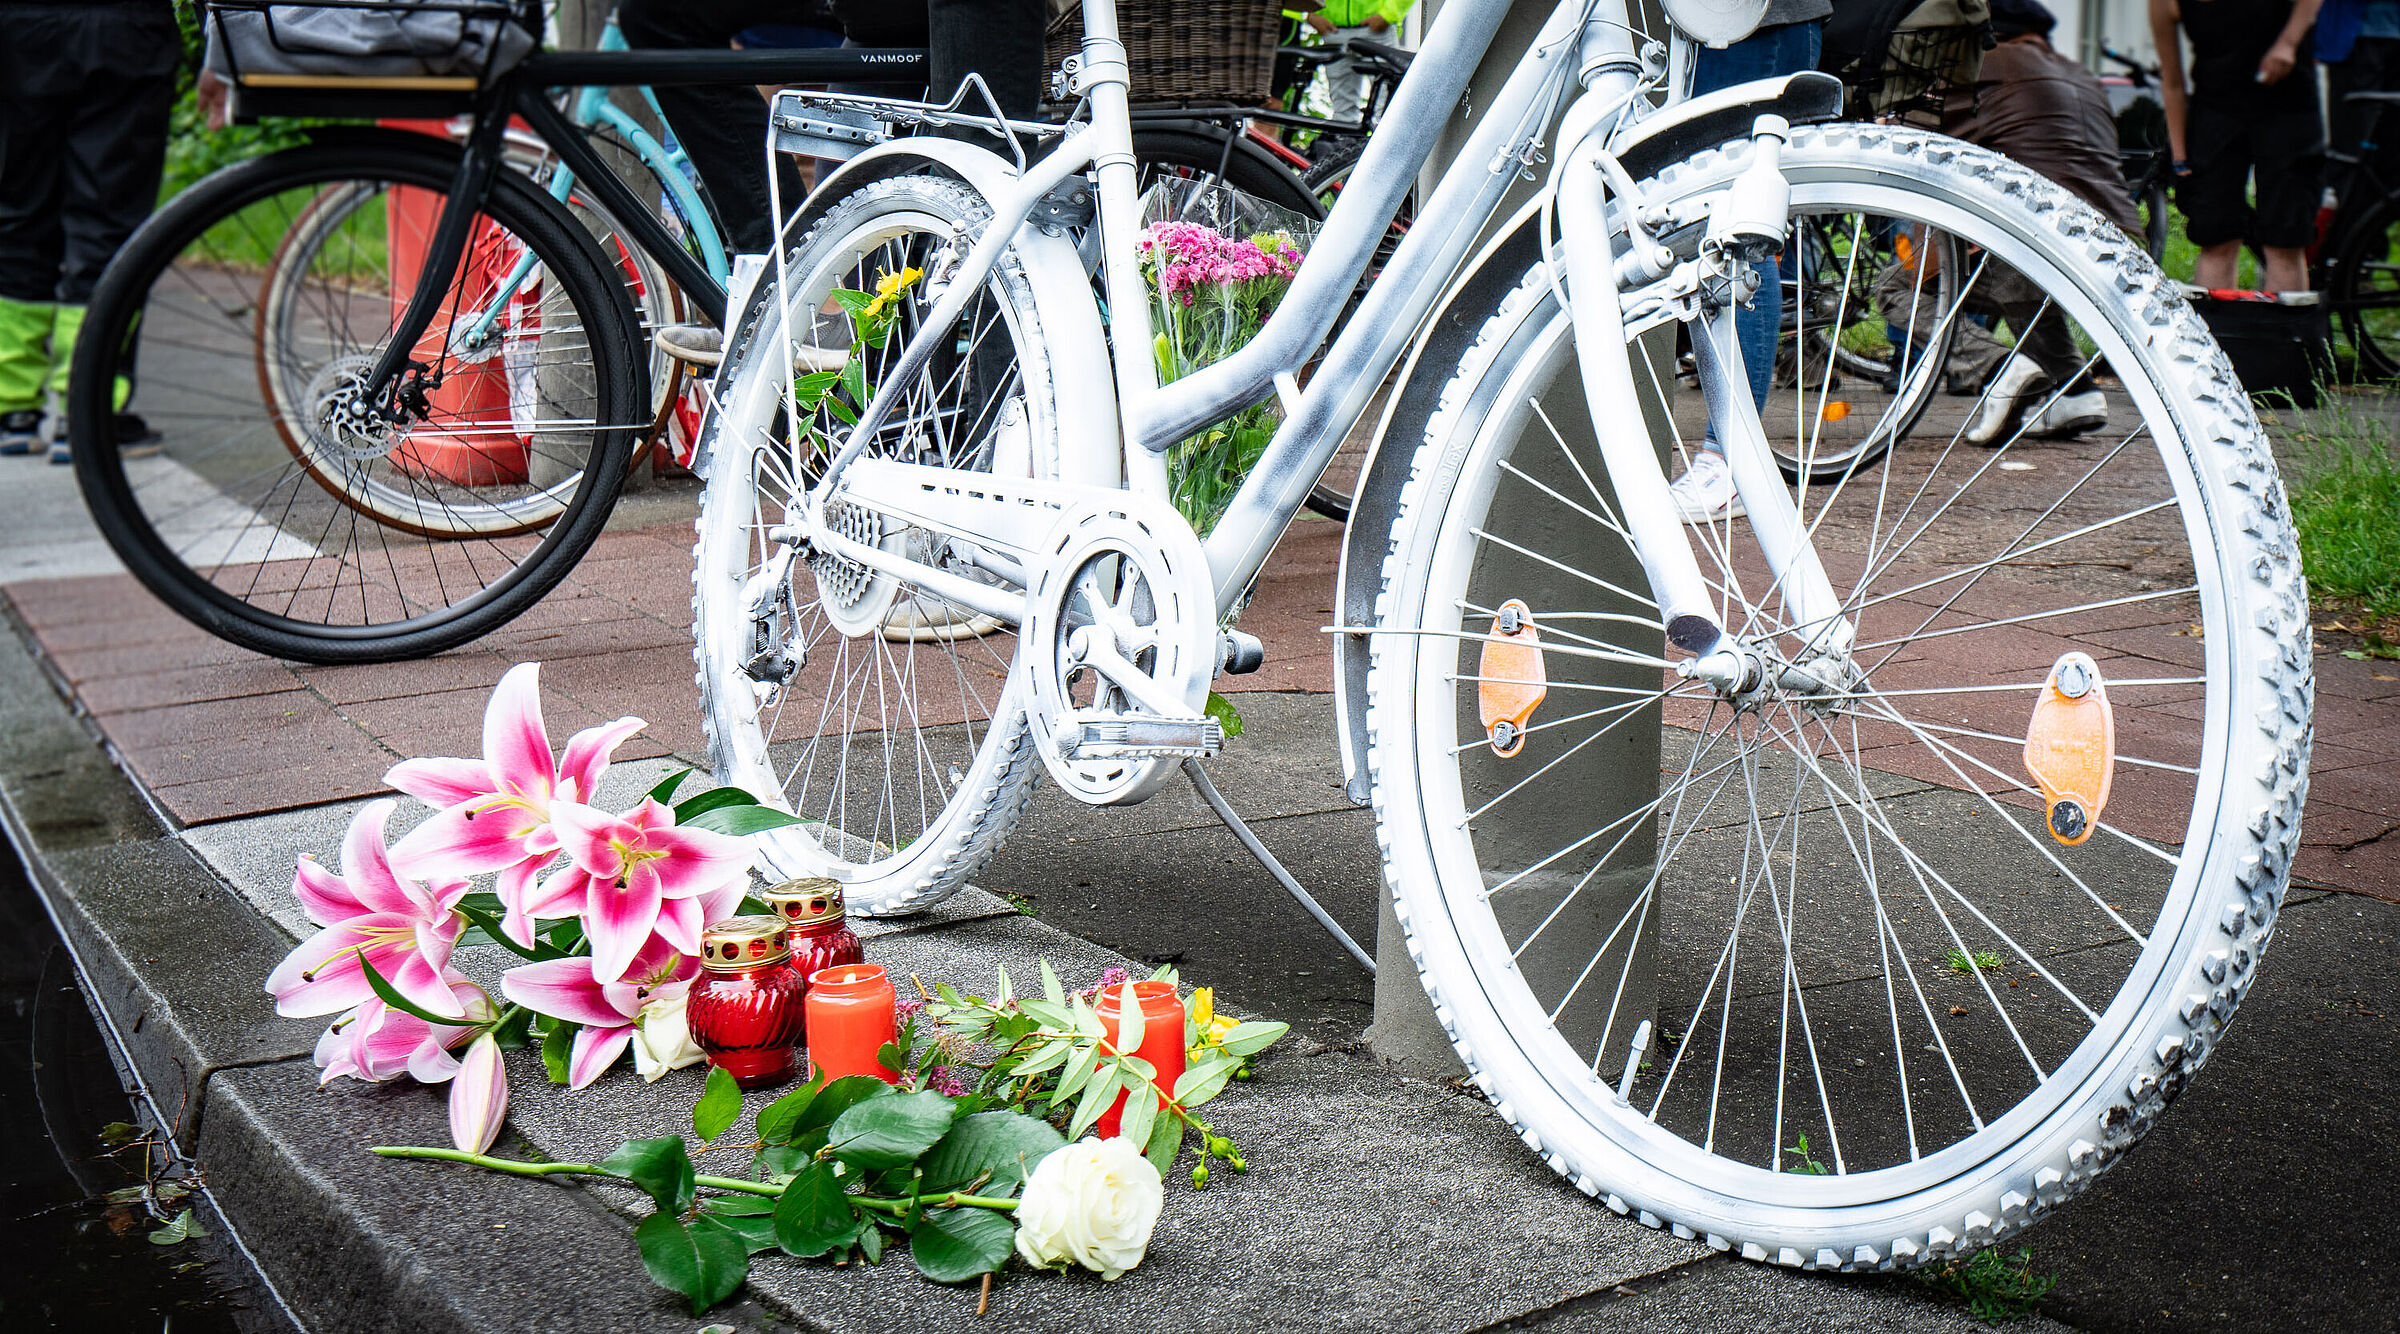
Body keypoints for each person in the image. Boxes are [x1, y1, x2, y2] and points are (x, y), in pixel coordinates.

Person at [1934, 0, 2146, 444]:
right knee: (2020, 255)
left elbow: (1928, 148)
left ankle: (2001, 369)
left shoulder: (1989, 66)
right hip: (2118, 249)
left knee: (1897, 286)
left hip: (2045, 247)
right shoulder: (2081, 76)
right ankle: (2075, 391)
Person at [1665, 2, 1832, 523]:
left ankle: (1732, 460)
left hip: (1756, 19)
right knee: (1714, 227)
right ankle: (1729, 456)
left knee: (1742, 232)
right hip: (1709, 22)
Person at [0, 0, 177, 463]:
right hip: (124, 27)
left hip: (20, 27)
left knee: (18, 211)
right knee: (108, 222)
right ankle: (87, 410)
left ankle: (11, 407)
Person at [2151, 0, 2324, 294]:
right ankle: (2214, 338)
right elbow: (2173, 83)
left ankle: (2283, 338)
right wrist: (2180, 157)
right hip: (2216, 113)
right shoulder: (2164, 3)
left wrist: (2288, 42)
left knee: (2284, 241)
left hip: (2287, 107)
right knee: (2216, 236)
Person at [1306, 0, 1413, 124]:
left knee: (1386, 112)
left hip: (1378, 31)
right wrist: (1308, 14)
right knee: (1342, 117)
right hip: (1334, 31)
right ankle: (1345, 141)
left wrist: (1387, 14)